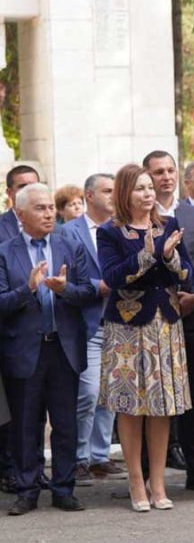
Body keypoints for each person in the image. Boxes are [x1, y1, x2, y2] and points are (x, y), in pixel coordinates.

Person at [98, 164, 193, 512]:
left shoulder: (169, 225)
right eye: (139, 188)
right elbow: (113, 277)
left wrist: (169, 255)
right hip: (126, 327)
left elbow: (187, 273)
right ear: (125, 193)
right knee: (130, 408)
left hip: (165, 325)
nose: (148, 193)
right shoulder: (111, 232)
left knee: (160, 407)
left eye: (150, 187)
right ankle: (136, 480)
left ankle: (158, 481)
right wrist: (149, 253)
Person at [0, 183, 95, 515]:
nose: (49, 213)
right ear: (21, 214)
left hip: (63, 348)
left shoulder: (70, 245)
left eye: (50, 207)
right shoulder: (4, 251)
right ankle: (27, 490)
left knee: (66, 423)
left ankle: (64, 489)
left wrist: (66, 289)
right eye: (40, 208)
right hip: (23, 350)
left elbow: (88, 293)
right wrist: (28, 289)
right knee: (26, 425)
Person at [144, 151, 194, 492]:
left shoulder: (192, 214)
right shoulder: (139, 215)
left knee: (190, 395)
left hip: (191, 313)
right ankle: (149, 475)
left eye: (170, 170)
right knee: (150, 398)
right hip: (149, 319)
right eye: (157, 172)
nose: (165, 177)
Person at [64, 173, 127, 486]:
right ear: (89, 196)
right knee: (88, 393)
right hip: (87, 324)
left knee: (110, 396)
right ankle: (78, 458)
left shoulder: (121, 229)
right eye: (106, 191)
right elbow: (66, 276)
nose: (113, 196)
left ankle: (100, 457)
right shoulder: (69, 232)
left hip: (120, 324)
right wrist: (96, 286)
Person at [0, 164, 42, 494]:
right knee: (12, 413)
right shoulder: (2, 231)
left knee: (34, 411)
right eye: (23, 186)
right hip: (8, 330)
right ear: (10, 194)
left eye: (35, 184)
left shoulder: (52, 230)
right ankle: (12, 469)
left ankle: (32, 470)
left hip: (42, 334)